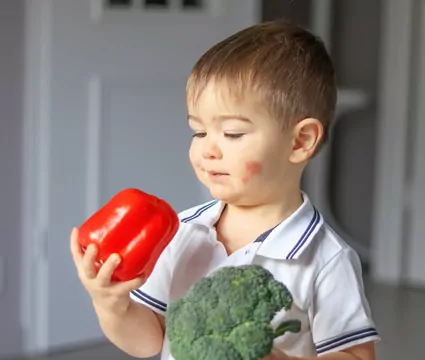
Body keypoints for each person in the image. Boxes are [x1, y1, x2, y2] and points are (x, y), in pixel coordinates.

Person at [70, 20, 380, 360]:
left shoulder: (325, 259)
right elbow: (149, 341)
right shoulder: (181, 232)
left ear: (300, 141)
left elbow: (356, 356)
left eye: (232, 134)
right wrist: (112, 306)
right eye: (199, 132)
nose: (207, 150)